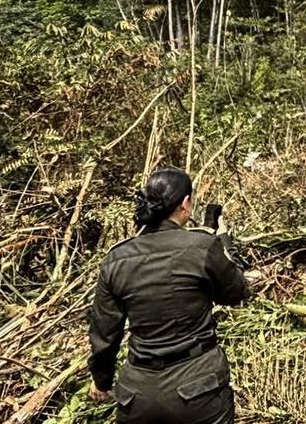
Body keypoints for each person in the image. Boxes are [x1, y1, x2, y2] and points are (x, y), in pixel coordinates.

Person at [87, 167, 248, 423]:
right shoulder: (202, 247)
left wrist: (101, 380)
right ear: (185, 204)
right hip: (199, 388)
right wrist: (224, 245)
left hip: (138, 395)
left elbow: (105, 332)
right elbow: (236, 292)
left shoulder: (116, 258)